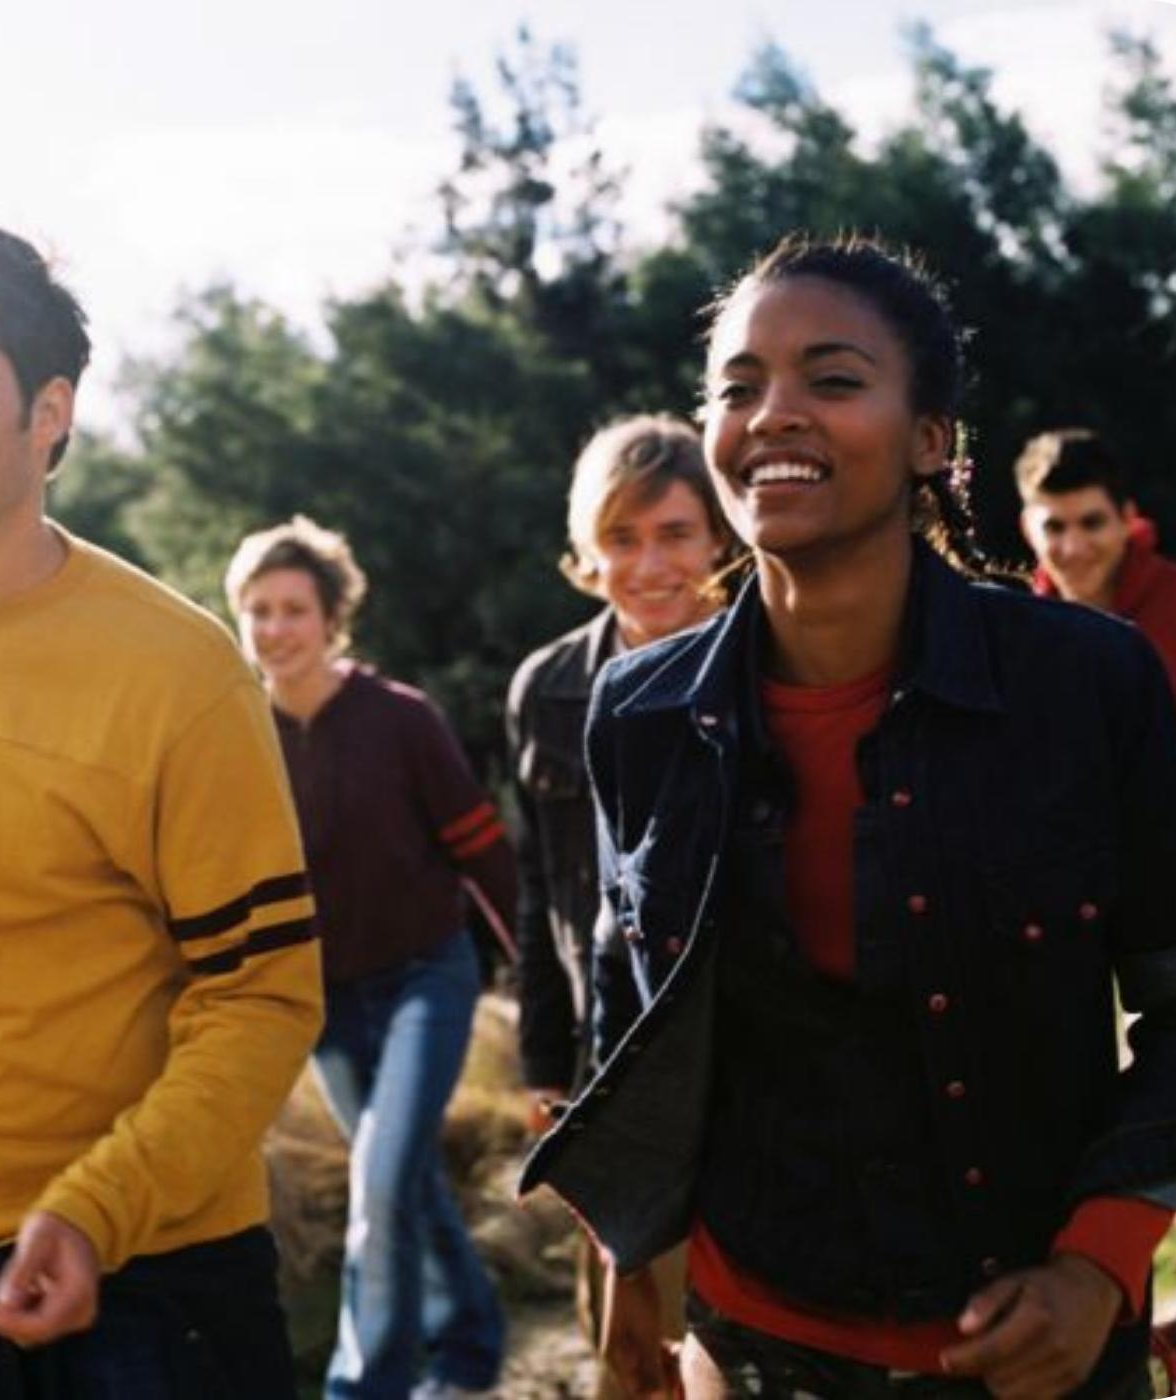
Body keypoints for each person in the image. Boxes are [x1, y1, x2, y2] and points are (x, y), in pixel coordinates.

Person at [520, 233, 1176, 1400]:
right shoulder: (634, 711)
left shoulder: (1086, 681)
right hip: (748, 1339)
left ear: (930, 439)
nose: (773, 416)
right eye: (737, 387)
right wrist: (635, 1273)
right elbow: (641, 1021)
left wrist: (1096, 1263)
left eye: (833, 379)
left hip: (1034, 1357)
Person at [0, 205, 322, 1399]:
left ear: (47, 411)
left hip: (144, 1278)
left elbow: (262, 994)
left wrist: (97, 1207)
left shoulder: (178, 671)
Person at [226, 516, 514, 1400]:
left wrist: (541, 986)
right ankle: (469, 1347)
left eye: (293, 610)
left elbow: (484, 852)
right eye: (258, 611)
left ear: (331, 618)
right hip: (324, 1004)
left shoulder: (401, 719)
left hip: (427, 975)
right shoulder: (235, 734)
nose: (276, 629)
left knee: (381, 1180)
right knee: (405, 1180)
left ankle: (363, 1385)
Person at [506, 414, 734, 1398]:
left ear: (718, 537)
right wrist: (545, 1065)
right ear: (583, 553)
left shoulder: (764, 663)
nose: (649, 564)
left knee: (725, 1337)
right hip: (608, 1052)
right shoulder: (546, 687)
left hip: (744, 1048)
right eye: (621, 538)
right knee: (626, 1343)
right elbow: (538, 888)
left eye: (674, 533)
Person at [1017, 426, 1176, 1385]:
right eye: (1054, 526)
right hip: (1112, 922)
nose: (1074, 546)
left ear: (1127, 518)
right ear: (1027, 527)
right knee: (1164, 1100)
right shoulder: (1017, 636)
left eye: (1092, 523)